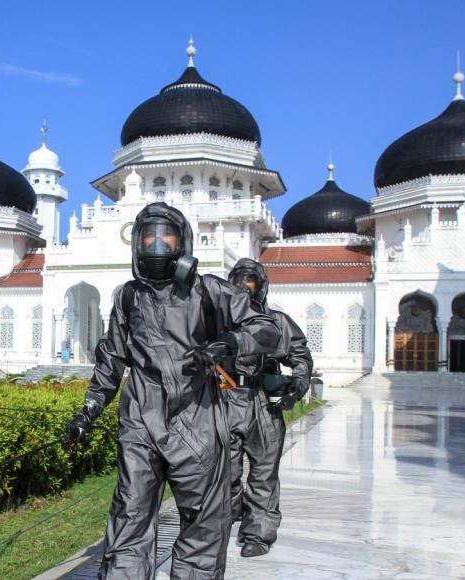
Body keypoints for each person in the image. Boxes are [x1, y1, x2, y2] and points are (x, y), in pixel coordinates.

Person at [62, 203, 280, 579]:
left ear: (183, 243)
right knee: (129, 519)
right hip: (141, 426)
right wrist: (88, 411)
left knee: (203, 527)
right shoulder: (128, 297)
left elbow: (266, 329)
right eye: (150, 237)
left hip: (198, 424)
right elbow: (111, 361)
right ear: (137, 243)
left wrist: (229, 342)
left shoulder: (208, 291)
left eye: (167, 237)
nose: (158, 245)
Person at [226, 258, 313, 558]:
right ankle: (230, 514)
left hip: (263, 402)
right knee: (224, 470)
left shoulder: (277, 322)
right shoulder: (219, 322)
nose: (243, 287)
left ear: (261, 286)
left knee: (264, 471)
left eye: (249, 281)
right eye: (238, 281)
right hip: (224, 400)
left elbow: (300, 355)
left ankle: (258, 533)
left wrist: (297, 386)